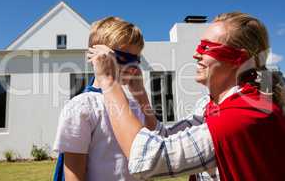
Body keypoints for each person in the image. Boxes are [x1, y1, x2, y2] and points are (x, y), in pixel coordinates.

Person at [88, 12, 285, 181]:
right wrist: (140, 96)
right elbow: (163, 136)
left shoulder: (245, 115)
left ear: (238, 59)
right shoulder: (211, 104)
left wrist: (108, 81)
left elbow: (145, 158)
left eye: (206, 48)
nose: (196, 54)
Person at [53, 16, 157, 181]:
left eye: (137, 60)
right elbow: (74, 176)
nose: (133, 67)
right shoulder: (81, 106)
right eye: (125, 59)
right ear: (99, 56)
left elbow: (155, 143)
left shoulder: (133, 106)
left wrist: (141, 96)